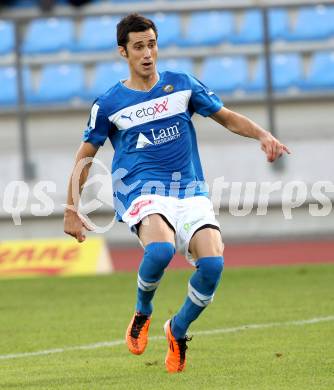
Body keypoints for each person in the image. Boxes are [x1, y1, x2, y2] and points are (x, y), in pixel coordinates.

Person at [64, 13, 290, 373]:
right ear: (123, 52)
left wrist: (264, 135)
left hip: (190, 190)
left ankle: (177, 329)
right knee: (161, 250)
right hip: (141, 190)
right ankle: (143, 311)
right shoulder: (108, 104)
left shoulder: (181, 85)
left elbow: (226, 116)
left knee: (213, 264)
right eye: (138, 47)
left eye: (151, 44)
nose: (147, 53)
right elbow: (85, 156)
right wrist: (71, 209)